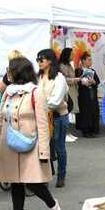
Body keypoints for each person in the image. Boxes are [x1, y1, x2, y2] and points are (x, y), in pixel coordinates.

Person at [0, 56, 63, 210]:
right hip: (9, 145)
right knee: (15, 181)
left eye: (10, 71)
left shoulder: (36, 92)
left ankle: (53, 205)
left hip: (31, 144)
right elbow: (1, 119)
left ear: (18, 72)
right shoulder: (8, 92)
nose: (8, 75)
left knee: (33, 182)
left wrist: (44, 152)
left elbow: (43, 124)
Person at [37, 48, 70, 188]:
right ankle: (46, 174)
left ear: (50, 61)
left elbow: (55, 101)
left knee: (59, 147)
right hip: (42, 117)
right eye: (37, 59)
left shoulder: (59, 78)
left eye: (41, 59)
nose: (38, 62)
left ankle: (61, 175)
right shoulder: (38, 76)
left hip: (57, 117)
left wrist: (38, 106)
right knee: (43, 147)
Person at [74, 52, 101, 138]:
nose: (91, 62)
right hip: (83, 95)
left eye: (91, 60)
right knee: (85, 112)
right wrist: (83, 82)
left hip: (92, 94)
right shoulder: (78, 70)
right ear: (83, 61)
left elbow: (97, 81)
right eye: (89, 60)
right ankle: (85, 130)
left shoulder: (93, 71)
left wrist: (93, 82)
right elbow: (76, 82)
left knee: (93, 111)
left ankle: (93, 129)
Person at [58, 48, 79, 119]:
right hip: (67, 91)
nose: (73, 56)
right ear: (67, 55)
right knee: (68, 108)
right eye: (72, 54)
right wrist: (75, 79)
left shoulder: (69, 65)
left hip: (72, 89)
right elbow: (63, 79)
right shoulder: (62, 65)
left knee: (70, 107)